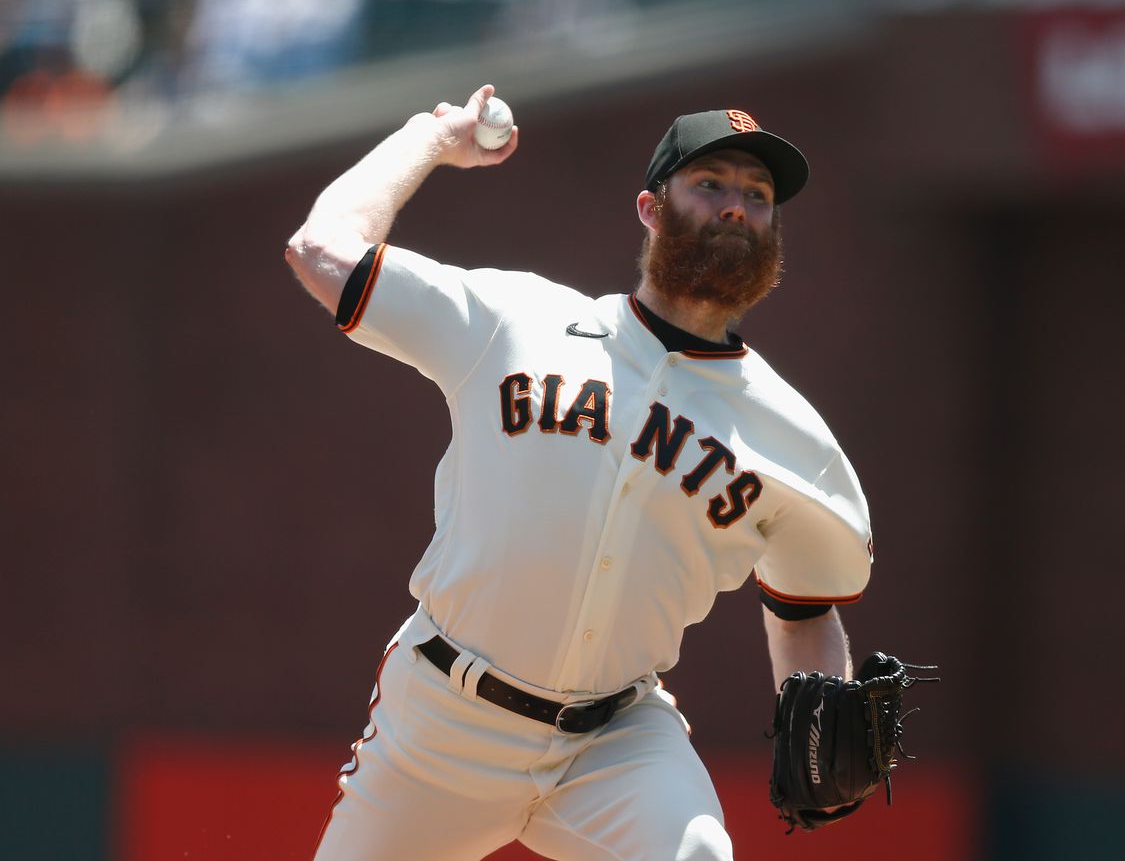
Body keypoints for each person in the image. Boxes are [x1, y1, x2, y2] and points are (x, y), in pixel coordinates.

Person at [285, 84, 874, 861]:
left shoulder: (793, 437)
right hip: (445, 727)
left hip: (617, 742)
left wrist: (822, 703)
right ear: (650, 208)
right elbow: (320, 250)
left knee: (698, 852)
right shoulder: (514, 321)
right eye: (710, 184)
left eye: (758, 195)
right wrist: (431, 138)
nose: (737, 206)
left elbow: (805, 607)